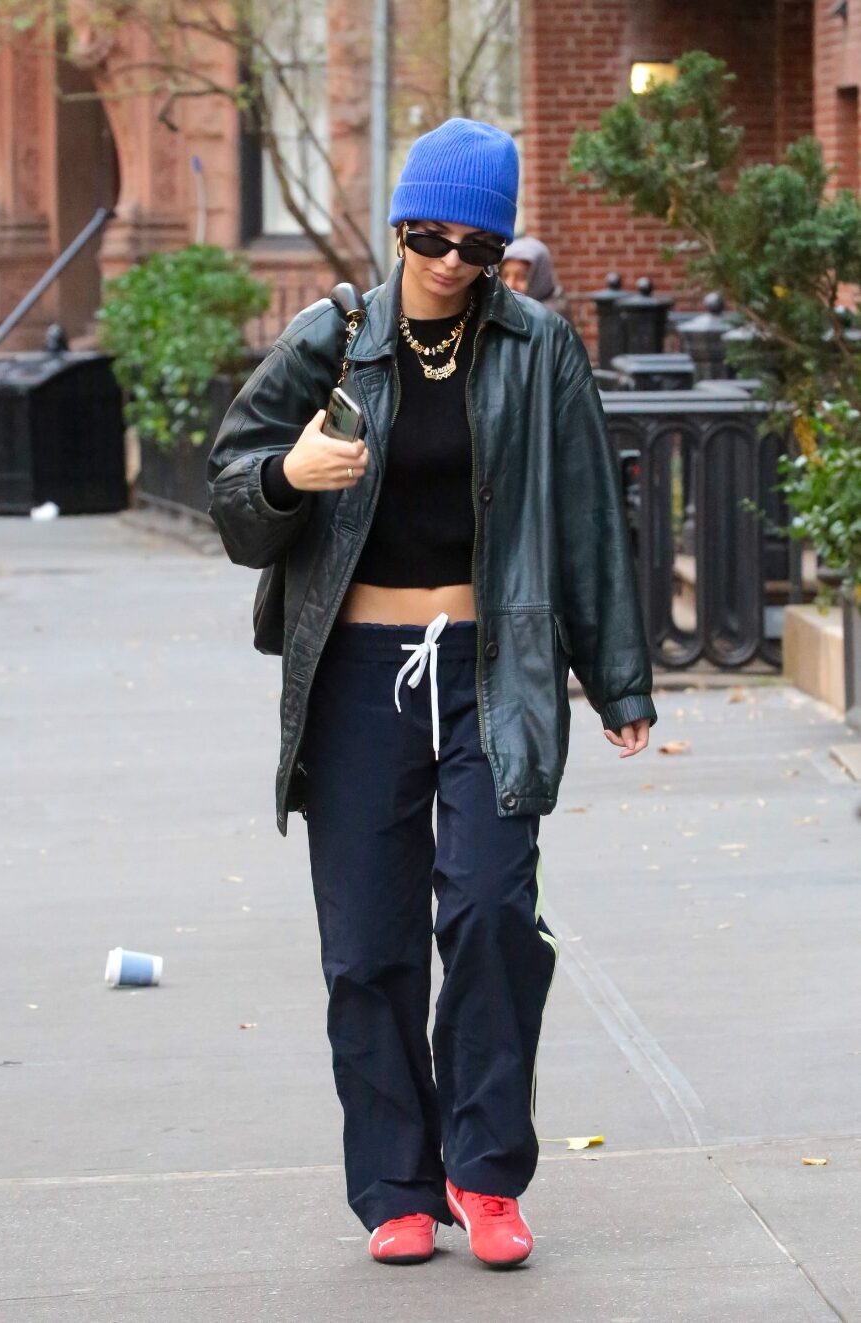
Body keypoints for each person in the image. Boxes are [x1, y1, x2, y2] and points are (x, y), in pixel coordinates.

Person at [208, 117, 656, 1270]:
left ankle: (486, 1172)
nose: (453, 262)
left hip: (492, 670)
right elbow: (231, 493)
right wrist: (289, 472)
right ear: (400, 225)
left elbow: (586, 515)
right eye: (432, 237)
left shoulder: (537, 347)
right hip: (358, 675)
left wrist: (617, 678)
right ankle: (395, 1185)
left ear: (502, 249)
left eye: (480, 246)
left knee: (493, 912)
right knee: (368, 946)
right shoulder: (332, 339)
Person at [500, 235, 572, 323]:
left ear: (540, 278)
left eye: (521, 276)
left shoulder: (551, 321)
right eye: (505, 275)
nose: (510, 284)